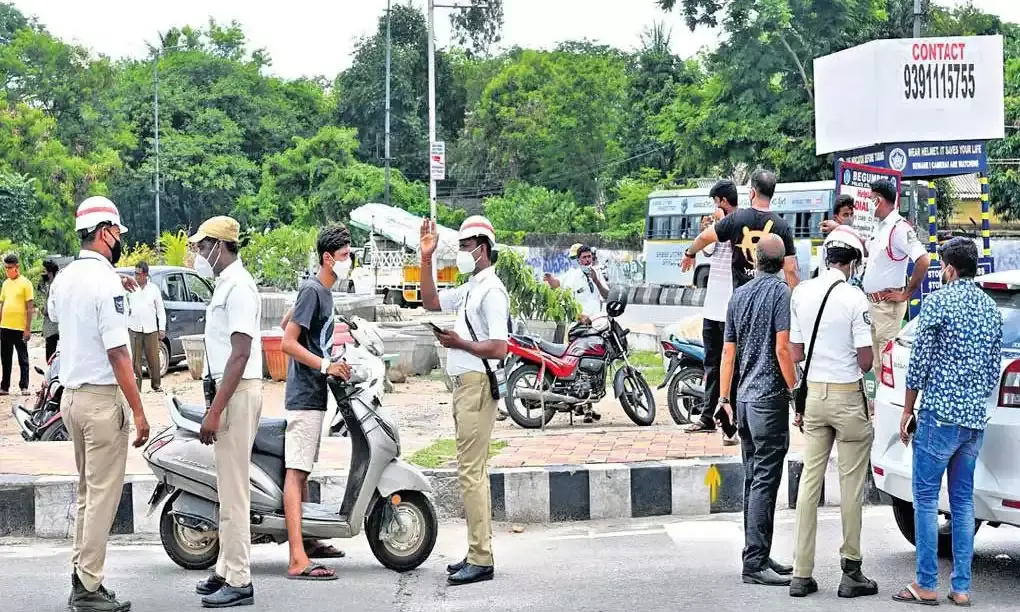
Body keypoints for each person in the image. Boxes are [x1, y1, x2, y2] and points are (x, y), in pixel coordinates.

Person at [49, 196, 149, 612]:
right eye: (117, 233)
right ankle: (88, 587)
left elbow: (60, 315)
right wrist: (139, 411)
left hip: (71, 398)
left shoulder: (65, 278)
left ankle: (82, 576)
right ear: (106, 233)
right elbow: (118, 353)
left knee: (88, 492)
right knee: (103, 497)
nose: (119, 240)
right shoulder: (106, 282)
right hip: (102, 401)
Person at [893, 238, 1002, 607]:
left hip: (938, 417)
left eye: (941, 266)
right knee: (963, 503)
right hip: (973, 421)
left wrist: (907, 410)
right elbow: (992, 371)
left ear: (950, 269)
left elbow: (919, 363)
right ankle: (961, 587)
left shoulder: (938, 302)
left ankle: (926, 584)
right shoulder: (991, 308)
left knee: (925, 499)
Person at [788, 231, 878, 599]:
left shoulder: (801, 293)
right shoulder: (855, 298)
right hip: (846, 396)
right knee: (850, 485)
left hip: (814, 396)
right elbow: (865, 361)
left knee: (810, 481)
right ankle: (851, 570)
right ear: (853, 263)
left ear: (826, 260)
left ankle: (801, 573)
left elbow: (795, 352)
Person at [421, 215, 509, 586]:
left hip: (476, 385)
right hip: (464, 386)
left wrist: (460, 343)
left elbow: (500, 347)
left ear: (482, 249)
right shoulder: (472, 287)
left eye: (465, 246)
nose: (460, 252)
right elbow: (430, 301)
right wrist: (426, 257)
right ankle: (477, 552)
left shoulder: (492, 292)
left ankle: (481, 557)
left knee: (471, 473)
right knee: (472, 471)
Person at [190, 216, 263, 608]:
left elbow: (240, 354)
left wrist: (216, 410)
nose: (199, 254)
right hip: (228, 392)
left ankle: (239, 579)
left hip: (235, 393)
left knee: (234, 493)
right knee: (227, 488)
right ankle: (225, 569)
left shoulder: (239, 287)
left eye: (203, 247)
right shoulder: (226, 284)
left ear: (220, 246)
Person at [717, 235, 797, 587]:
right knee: (766, 480)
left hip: (744, 401)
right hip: (769, 401)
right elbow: (783, 349)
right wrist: (796, 391)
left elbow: (727, 353)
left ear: (753, 258)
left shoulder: (738, 295)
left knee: (754, 478)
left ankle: (757, 553)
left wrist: (724, 399)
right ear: (782, 263)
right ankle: (755, 562)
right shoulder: (781, 293)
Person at [280, 224, 355, 581]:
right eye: (344, 255)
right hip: (304, 393)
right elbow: (287, 342)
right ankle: (297, 558)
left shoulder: (320, 291)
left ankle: (308, 541)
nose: (349, 260)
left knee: (305, 469)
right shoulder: (314, 290)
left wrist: (333, 361)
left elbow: (290, 321)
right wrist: (325, 365)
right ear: (328, 258)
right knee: (296, 473)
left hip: (315, 391)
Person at [681, 170, 800, 290]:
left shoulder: (736, 219)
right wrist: (793, 297)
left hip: (741, 295)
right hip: (769, 295)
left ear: (752, 193)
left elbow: (704, 238)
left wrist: (689, 253)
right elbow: (790, 269)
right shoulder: (782, 226)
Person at [685, 180, 737, 439]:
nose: (714, 208)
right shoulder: (717, 228)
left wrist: (718, 223)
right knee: (711, 365)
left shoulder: (739, 224)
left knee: (732, 366)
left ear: (723, 202)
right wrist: (706, 228)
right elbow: (707, 248)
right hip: (712, 308)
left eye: (716, 203)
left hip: (730, 308)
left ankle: (731, 421)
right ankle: (707, 416)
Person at [861, 179, 930, 371]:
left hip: (887, 306)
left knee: (887, 365)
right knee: (878, 364)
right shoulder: (881, 226)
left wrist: (906, 294)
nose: (868, 204)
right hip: (873, 305)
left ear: (878, 200)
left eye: (871, 199)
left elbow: (923, 260)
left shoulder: (899, 228)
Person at [127, 261, 167, 393]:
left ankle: (156, 384)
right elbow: (126, 307)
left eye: (138, 274)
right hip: (134, 328)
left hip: (151, 329)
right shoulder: (131, 288)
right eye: (135, 273)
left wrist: (162, 328)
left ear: (145, 275)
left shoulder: (153, 289)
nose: (136, 276)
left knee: (153, 358)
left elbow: (160, 309)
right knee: (135, 361)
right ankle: (136, 387)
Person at [544, 244, 609, 321]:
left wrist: (596, 281)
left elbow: (606, 296)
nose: (587, 260)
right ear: (578, 260)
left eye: (589, 256)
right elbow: (567, 303)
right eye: (584, 257)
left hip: (597, 321)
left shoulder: (598, 273)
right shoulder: (573, 276)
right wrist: (580, 317)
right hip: (579, 323)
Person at [1, 252, 34, 396]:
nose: (8, 270)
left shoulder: (26, 283)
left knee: (22, 358)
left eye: (10, 268)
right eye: (6, 268)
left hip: (20, 327)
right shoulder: (5, 284)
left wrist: (27, 328)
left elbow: (29, 308)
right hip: (5, 326)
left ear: (17, 267)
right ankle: (4, 386)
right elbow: (2, 304)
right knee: (5, 358)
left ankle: (24, 386)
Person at [40, 259, 61, 362]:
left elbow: (47, 309)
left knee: (51, 356)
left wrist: (44, 310)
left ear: (50, 273)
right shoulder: (51, 284)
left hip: (53, 327)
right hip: (55, 326)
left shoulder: (55, 285)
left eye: (45, 271)